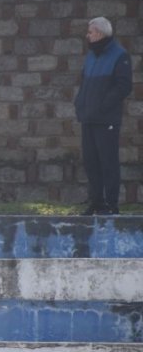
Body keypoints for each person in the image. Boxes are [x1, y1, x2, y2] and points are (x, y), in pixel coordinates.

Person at [74, 17, 132, 216]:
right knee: (91, 162)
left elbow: (123, 86)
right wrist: (79, 104)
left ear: (99, 33)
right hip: (88, 118)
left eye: (90, 32)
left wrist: (103, 106)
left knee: (108, 162)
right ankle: (96, 202)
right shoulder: (91, 56)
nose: (88, 35)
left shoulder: (119, 55)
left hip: (106, 119)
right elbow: (84, 84)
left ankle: (111, 204)